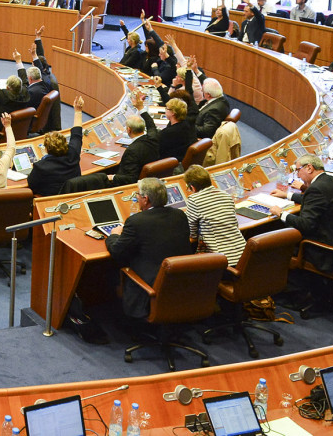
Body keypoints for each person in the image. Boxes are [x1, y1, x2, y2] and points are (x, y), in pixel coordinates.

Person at [105, 177, 194, 318]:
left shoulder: (136, 222)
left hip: (152, 286)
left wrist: (113, 235)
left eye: (138, 195)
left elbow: (117, 251)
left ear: (145, 199)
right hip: (181, 282)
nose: (137, 198)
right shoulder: (179, 215)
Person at [274, 155, 333, 278]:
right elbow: (313, 199)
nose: (298, 175)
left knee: (274, 240)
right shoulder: (329, 181)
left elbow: (306, 225)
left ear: (309, 168)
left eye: (298, 170)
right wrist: (287, 195)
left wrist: (281, 213)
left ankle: (282, 286)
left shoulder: (316, 189)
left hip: (323, 250)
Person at [182, 165, 245, 265]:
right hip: (244, 256)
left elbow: (192, 233)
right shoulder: (226, 195)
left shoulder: (194, 200)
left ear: (192, 187)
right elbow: (234, 223)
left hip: (222, 261)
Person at [26, 100, 84, 197]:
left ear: (47, 149)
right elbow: (77, 133)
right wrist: (78, 111)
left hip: (49, 201)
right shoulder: (73, 153)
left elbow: (32, 185)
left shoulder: (41, 166)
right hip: (73, 197)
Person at [157, 98, 197, 165]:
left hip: (169, 165)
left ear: (173, 113)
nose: (165, 110)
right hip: (176, 159)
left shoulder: (170, 133)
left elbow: (157, 148)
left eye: (167, 108)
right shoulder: (186, 124)